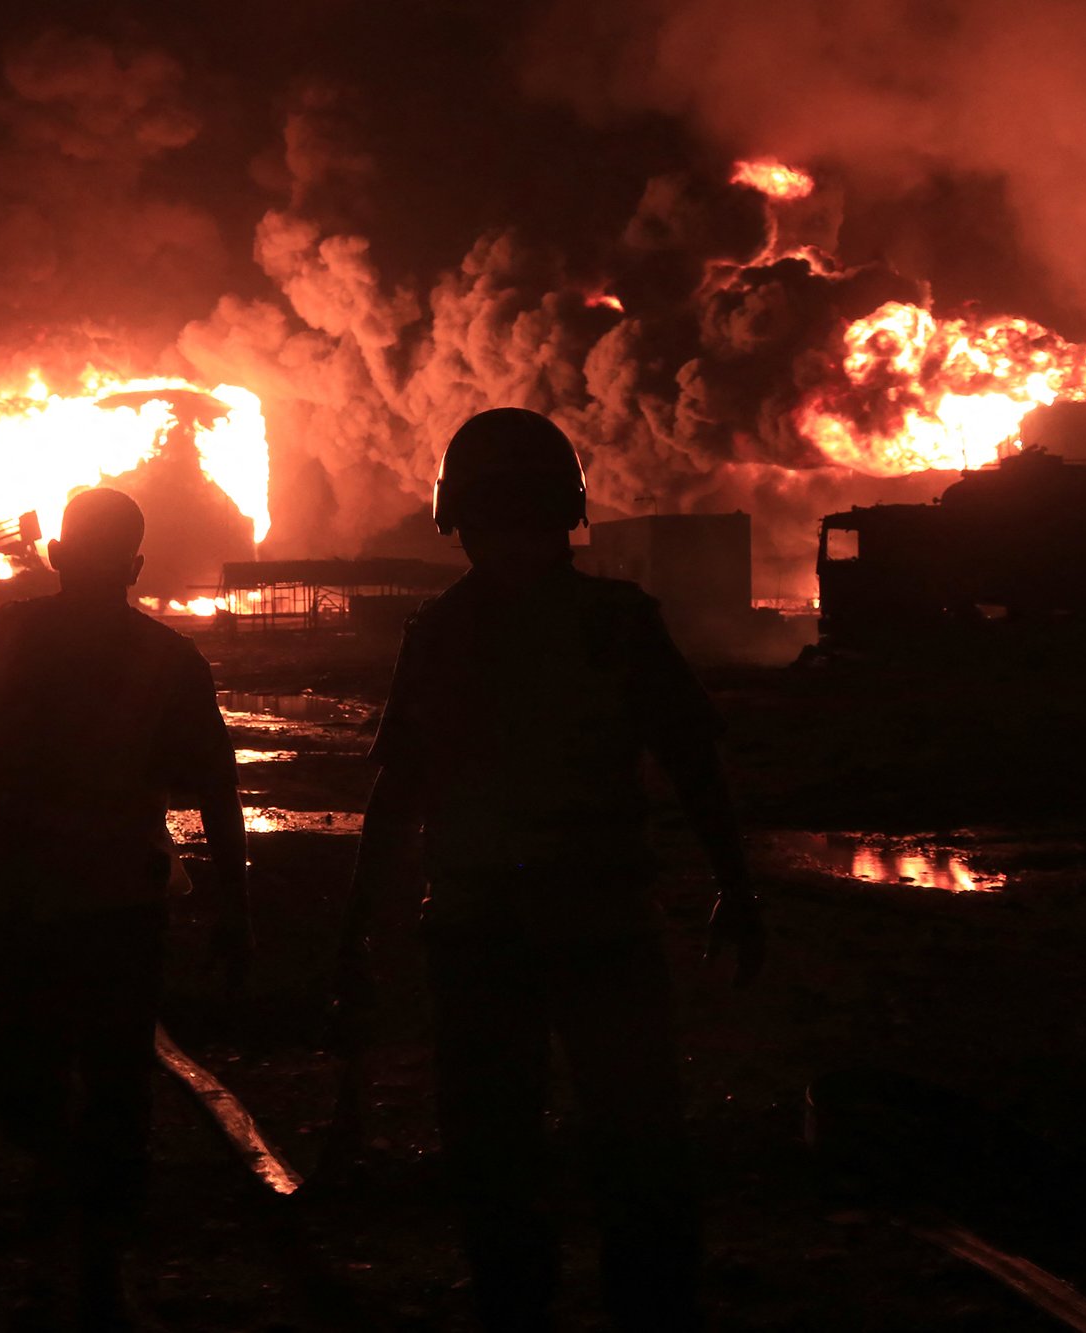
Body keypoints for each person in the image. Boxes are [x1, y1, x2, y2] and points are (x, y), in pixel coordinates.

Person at [338, 407, 764, 1333]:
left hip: (489, 929)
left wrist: (359, 925)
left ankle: (532, 1296)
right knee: (622, 1134)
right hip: (581, 923)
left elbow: (398, 794)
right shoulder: (609, 622)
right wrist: (737, 885)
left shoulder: (448, 632)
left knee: (508, 1141)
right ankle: (625, 1299)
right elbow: (693, 761)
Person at [0, 487, 250, 1331]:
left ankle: (73, 1211)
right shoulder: (169, 661)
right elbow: (216, 786)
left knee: (22, 1074)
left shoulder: (5, 638)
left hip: (18, 902)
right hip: (117, 907)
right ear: (137, 569)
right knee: (113, 1085)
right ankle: (98, 1254)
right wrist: (234, 910)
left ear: (59, 555)